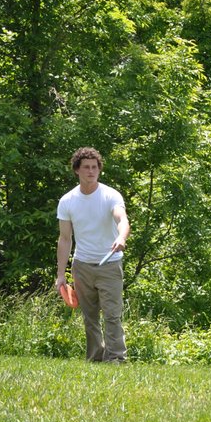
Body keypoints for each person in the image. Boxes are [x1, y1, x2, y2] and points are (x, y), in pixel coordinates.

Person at [55, 147, 130, 363]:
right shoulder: (67, 201)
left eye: (94, 167)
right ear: (77, 170)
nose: (91, 171)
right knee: (89, 317)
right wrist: (61, 275)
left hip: (110, 264)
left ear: (99, 170)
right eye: (86, 167)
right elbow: (65, 239)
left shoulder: (110, 195)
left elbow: (122, 219)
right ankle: (96, 358)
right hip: (82, 266)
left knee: (112, 315)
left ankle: (116, 358)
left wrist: (121, 237)